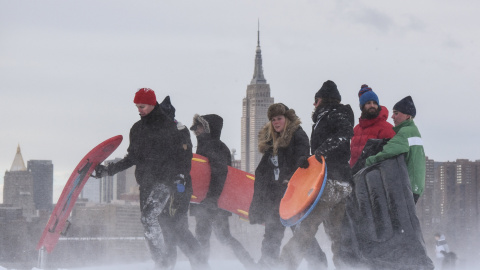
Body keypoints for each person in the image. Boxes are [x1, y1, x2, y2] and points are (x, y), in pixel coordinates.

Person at [94, 88, 208, 270]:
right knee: (163, 229)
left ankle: (193, 264)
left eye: (142, 106)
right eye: (137, 106)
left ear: (153, 104)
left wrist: (179, 178)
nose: (139, 110)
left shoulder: (174, 128)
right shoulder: (138, 129)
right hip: (147, 184)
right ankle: (166, 265)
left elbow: (184, 158)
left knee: (158, 222)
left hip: (170, 184)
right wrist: (109, 170)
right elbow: (131, 158)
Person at [280, 80, 354, 270]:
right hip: (339, 180)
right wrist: (312, 158)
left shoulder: (335, 113)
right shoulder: (326, 116)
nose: (314, 104)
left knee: (308, 224)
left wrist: (321, 152)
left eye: (316, 100)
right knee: (337, 232)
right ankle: (345, 266)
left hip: (330, 181)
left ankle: (286, 264)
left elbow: (345, 133)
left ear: (322, 99)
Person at [249, 103, 327, 270]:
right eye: (273, 120)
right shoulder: (270, 143)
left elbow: (303, 155)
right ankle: (266, 266)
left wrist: (299, 164)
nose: (276, 122)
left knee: (300, 234)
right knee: (271, 235)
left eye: (279, 118)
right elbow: (264, 172)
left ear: (286, 118)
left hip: (292, 195)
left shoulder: (297, 135)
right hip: (274, 197)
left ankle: (319, 264)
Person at [189, 114, 256, 269]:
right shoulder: (205, 145)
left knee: (206, 237)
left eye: (198, 127)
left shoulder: (214, 146)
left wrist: (212, 199)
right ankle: (250, 263)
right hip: (209, 201)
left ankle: (201, 267)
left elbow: (219, 173)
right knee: (221, 237)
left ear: (207, 128)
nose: (195, 131)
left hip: (212, 202)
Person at [365, 96, 425, 204]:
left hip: (407, 187)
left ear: (407, 116)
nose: (392, 116)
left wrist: (369, 161)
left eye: (396, 113)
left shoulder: (405, 132)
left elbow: (388, 152)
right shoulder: (414, 131)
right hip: (415, 185)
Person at [350, 84, 395, 169]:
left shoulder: (387, 128)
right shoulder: (356, 130)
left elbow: (391, 157)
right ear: (361, 106)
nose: (372, 106)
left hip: (375, 178)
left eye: (375, 103)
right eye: (368, 103)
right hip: (355, 177)